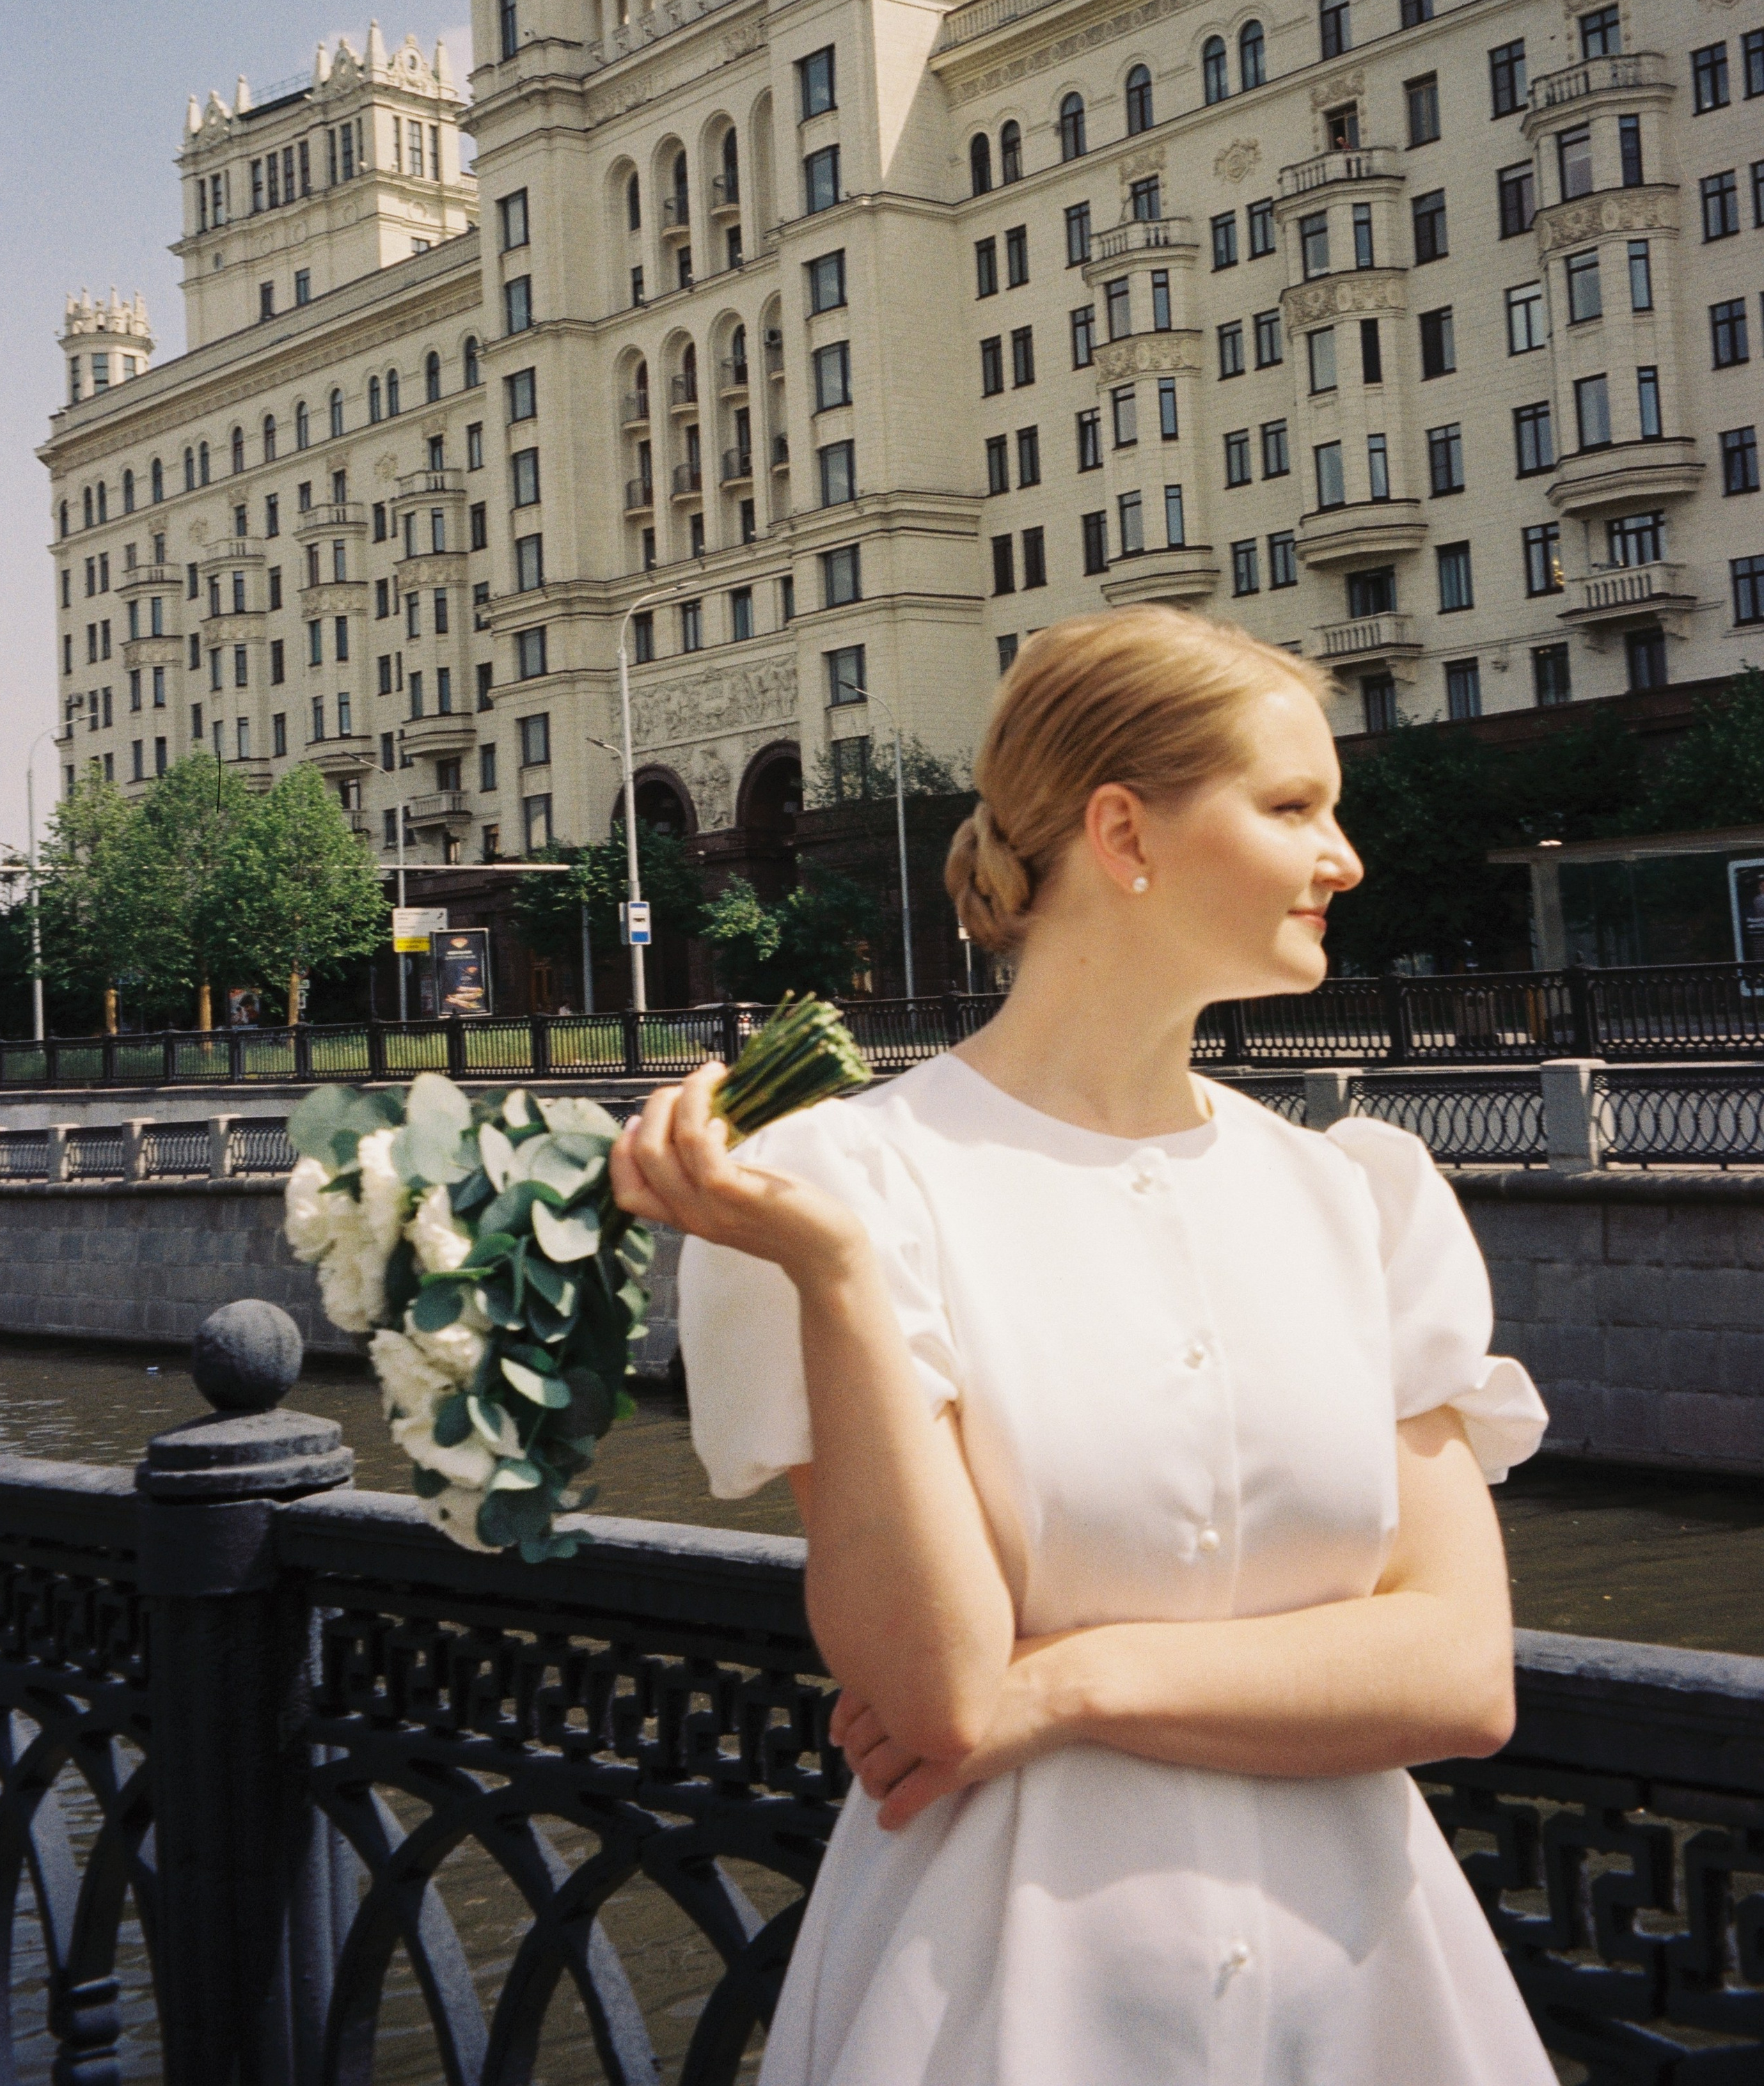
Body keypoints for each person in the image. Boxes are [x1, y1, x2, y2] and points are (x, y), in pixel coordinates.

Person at [612, 607, 1553, 2085]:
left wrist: (1065, 1684)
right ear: (1124, 831)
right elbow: (929, 1688)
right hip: (1006, 1996)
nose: (1343, 856)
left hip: (1358, 1990)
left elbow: (1455, 1670)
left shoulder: (1355, 1197)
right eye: (1292, 805)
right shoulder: (845, 1195)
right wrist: (841, 1275)